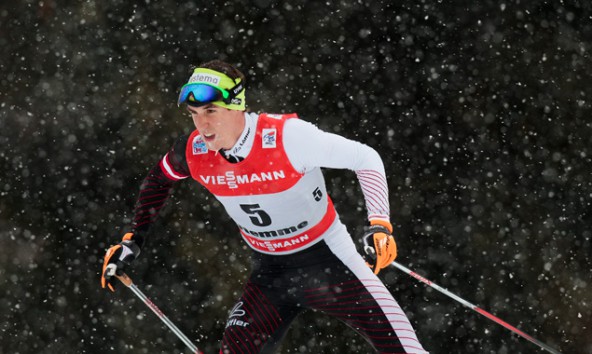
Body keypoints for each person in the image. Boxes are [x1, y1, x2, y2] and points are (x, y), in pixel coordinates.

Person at [101, 59, 428, 354]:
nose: (202, 126)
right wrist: (133, 241)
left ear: (237, 106)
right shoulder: (194, 152)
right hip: (271, 276)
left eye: (211, 111)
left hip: (329, 262)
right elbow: (158, 181)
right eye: (194, 115)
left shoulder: (288, 138)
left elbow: (365, 158)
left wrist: (380, 224)